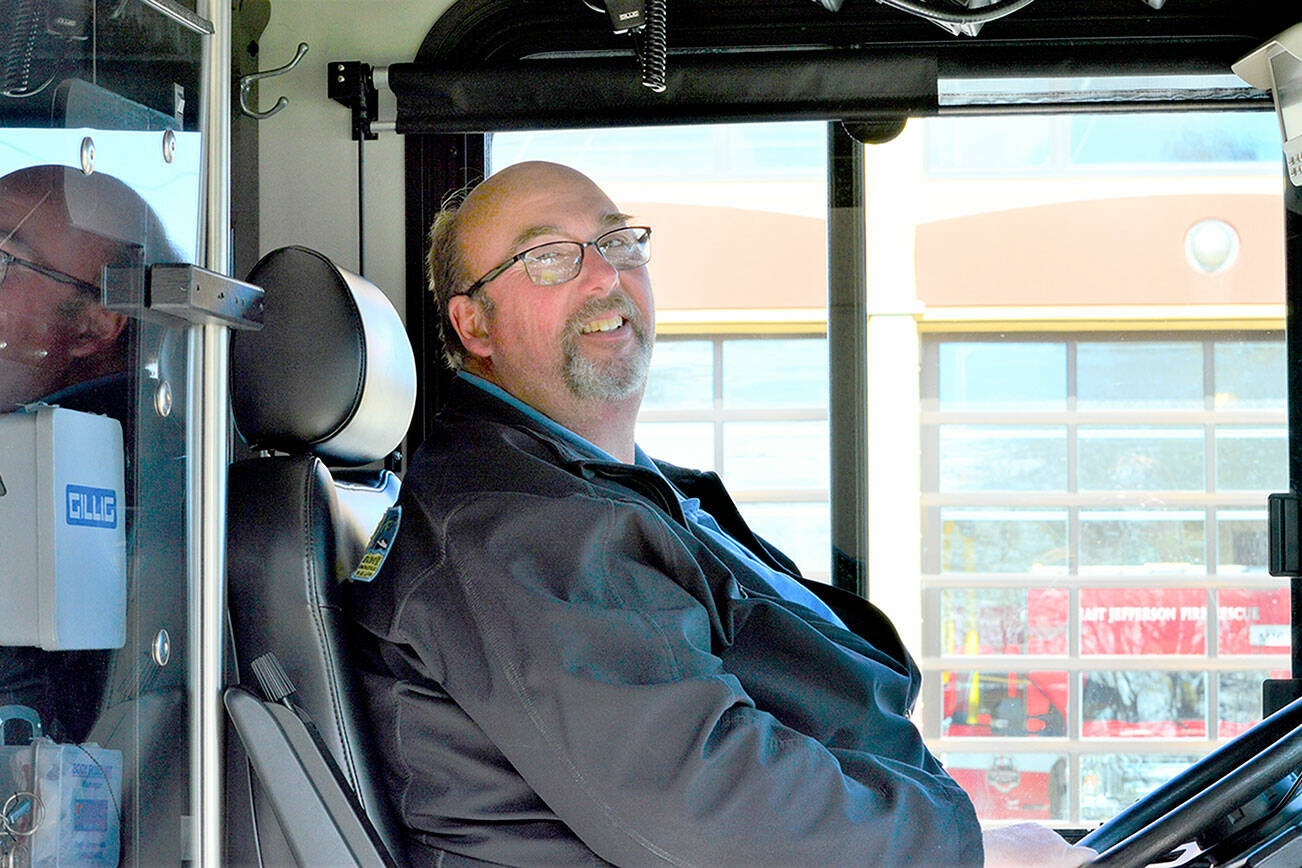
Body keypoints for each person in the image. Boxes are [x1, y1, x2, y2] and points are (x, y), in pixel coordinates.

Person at [348, 161, 1097, 867]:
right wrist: (966, 851)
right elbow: (699, 796)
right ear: (474, 326)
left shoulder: (619, 493)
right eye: (549, 257)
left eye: (617, 242)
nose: (606, 275)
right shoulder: (508, 529)